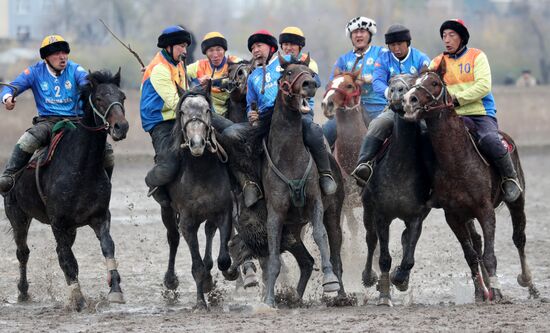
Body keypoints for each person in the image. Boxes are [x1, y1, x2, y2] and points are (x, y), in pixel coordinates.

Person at [221, 30, 337, 208]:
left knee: (314, 130)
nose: (255, 50)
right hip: (265, 120)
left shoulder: (286, 63)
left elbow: (313, 79)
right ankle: (250, 183)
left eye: (259, 46)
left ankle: (325, 174)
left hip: (294, 115)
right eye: (252, 48)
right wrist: (251, 114)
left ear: (272, 48)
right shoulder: (253, 77)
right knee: (230, 133)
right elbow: (250, 103)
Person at [0, 35, 114, 193]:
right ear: (46, 57)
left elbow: (86, 83)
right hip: (48, 122)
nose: (62, 57)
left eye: (65, 52)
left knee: (107, 150)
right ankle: (9, 176)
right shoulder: (34, 72)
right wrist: (7, 98)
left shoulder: (75, 69)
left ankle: (104, 185)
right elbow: (10, 88)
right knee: (28, 139)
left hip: (78, 122)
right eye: (57, 53)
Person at [430, 19, 522, 203]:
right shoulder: (437, 61)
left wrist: (455, 99)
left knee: (489, 139)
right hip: (451, 116)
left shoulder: (477, 56)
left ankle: (510, 178)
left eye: (451, 35)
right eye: (444, 36)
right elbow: (427, 84)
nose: (446, 40)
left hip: (480, 113)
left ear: (462, 37)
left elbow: (484, 86)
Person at [352, 24, 430, 184]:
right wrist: (390, 93)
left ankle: (437, 170)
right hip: (394, 109)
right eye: (392, 45)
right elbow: (377, 81)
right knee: (377, 124)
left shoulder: (421, 58)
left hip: (418, 109)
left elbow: (427, 79)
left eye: (400, 44)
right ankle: (363, 165)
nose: (396, 48)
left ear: (407, 43)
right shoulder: (383, 60)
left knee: (429, 130)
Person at [140, 25, 191, 206]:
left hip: (177, 117)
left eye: (185, 46)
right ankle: (153, 182)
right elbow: (176, 103)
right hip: (160, 121)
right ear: (168, 47)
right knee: (170, 165)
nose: (184, 51)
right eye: (180, 46)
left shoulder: (178, 64)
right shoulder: (160, 69)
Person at [322, 16, 386, 146]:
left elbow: (390, 74)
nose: (359, 35)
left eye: (362, 31)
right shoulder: (343, 59)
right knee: (325, 133)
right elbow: (330, 84)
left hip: (376, 106)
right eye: (355, 32)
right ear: (351, 37)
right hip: (348, 109)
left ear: (369, 34)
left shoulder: (382, 53)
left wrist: (369, 79)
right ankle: (323, 165)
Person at [187, 31, 242, 116]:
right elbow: (180, 72)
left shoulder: (235, 62)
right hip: (209, 113)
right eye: (211, 50)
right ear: (206, 53)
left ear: (224, 50)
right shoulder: (199, 66)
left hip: (233, 111)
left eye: (218, 49)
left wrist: (213, 82)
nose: (215, 54)